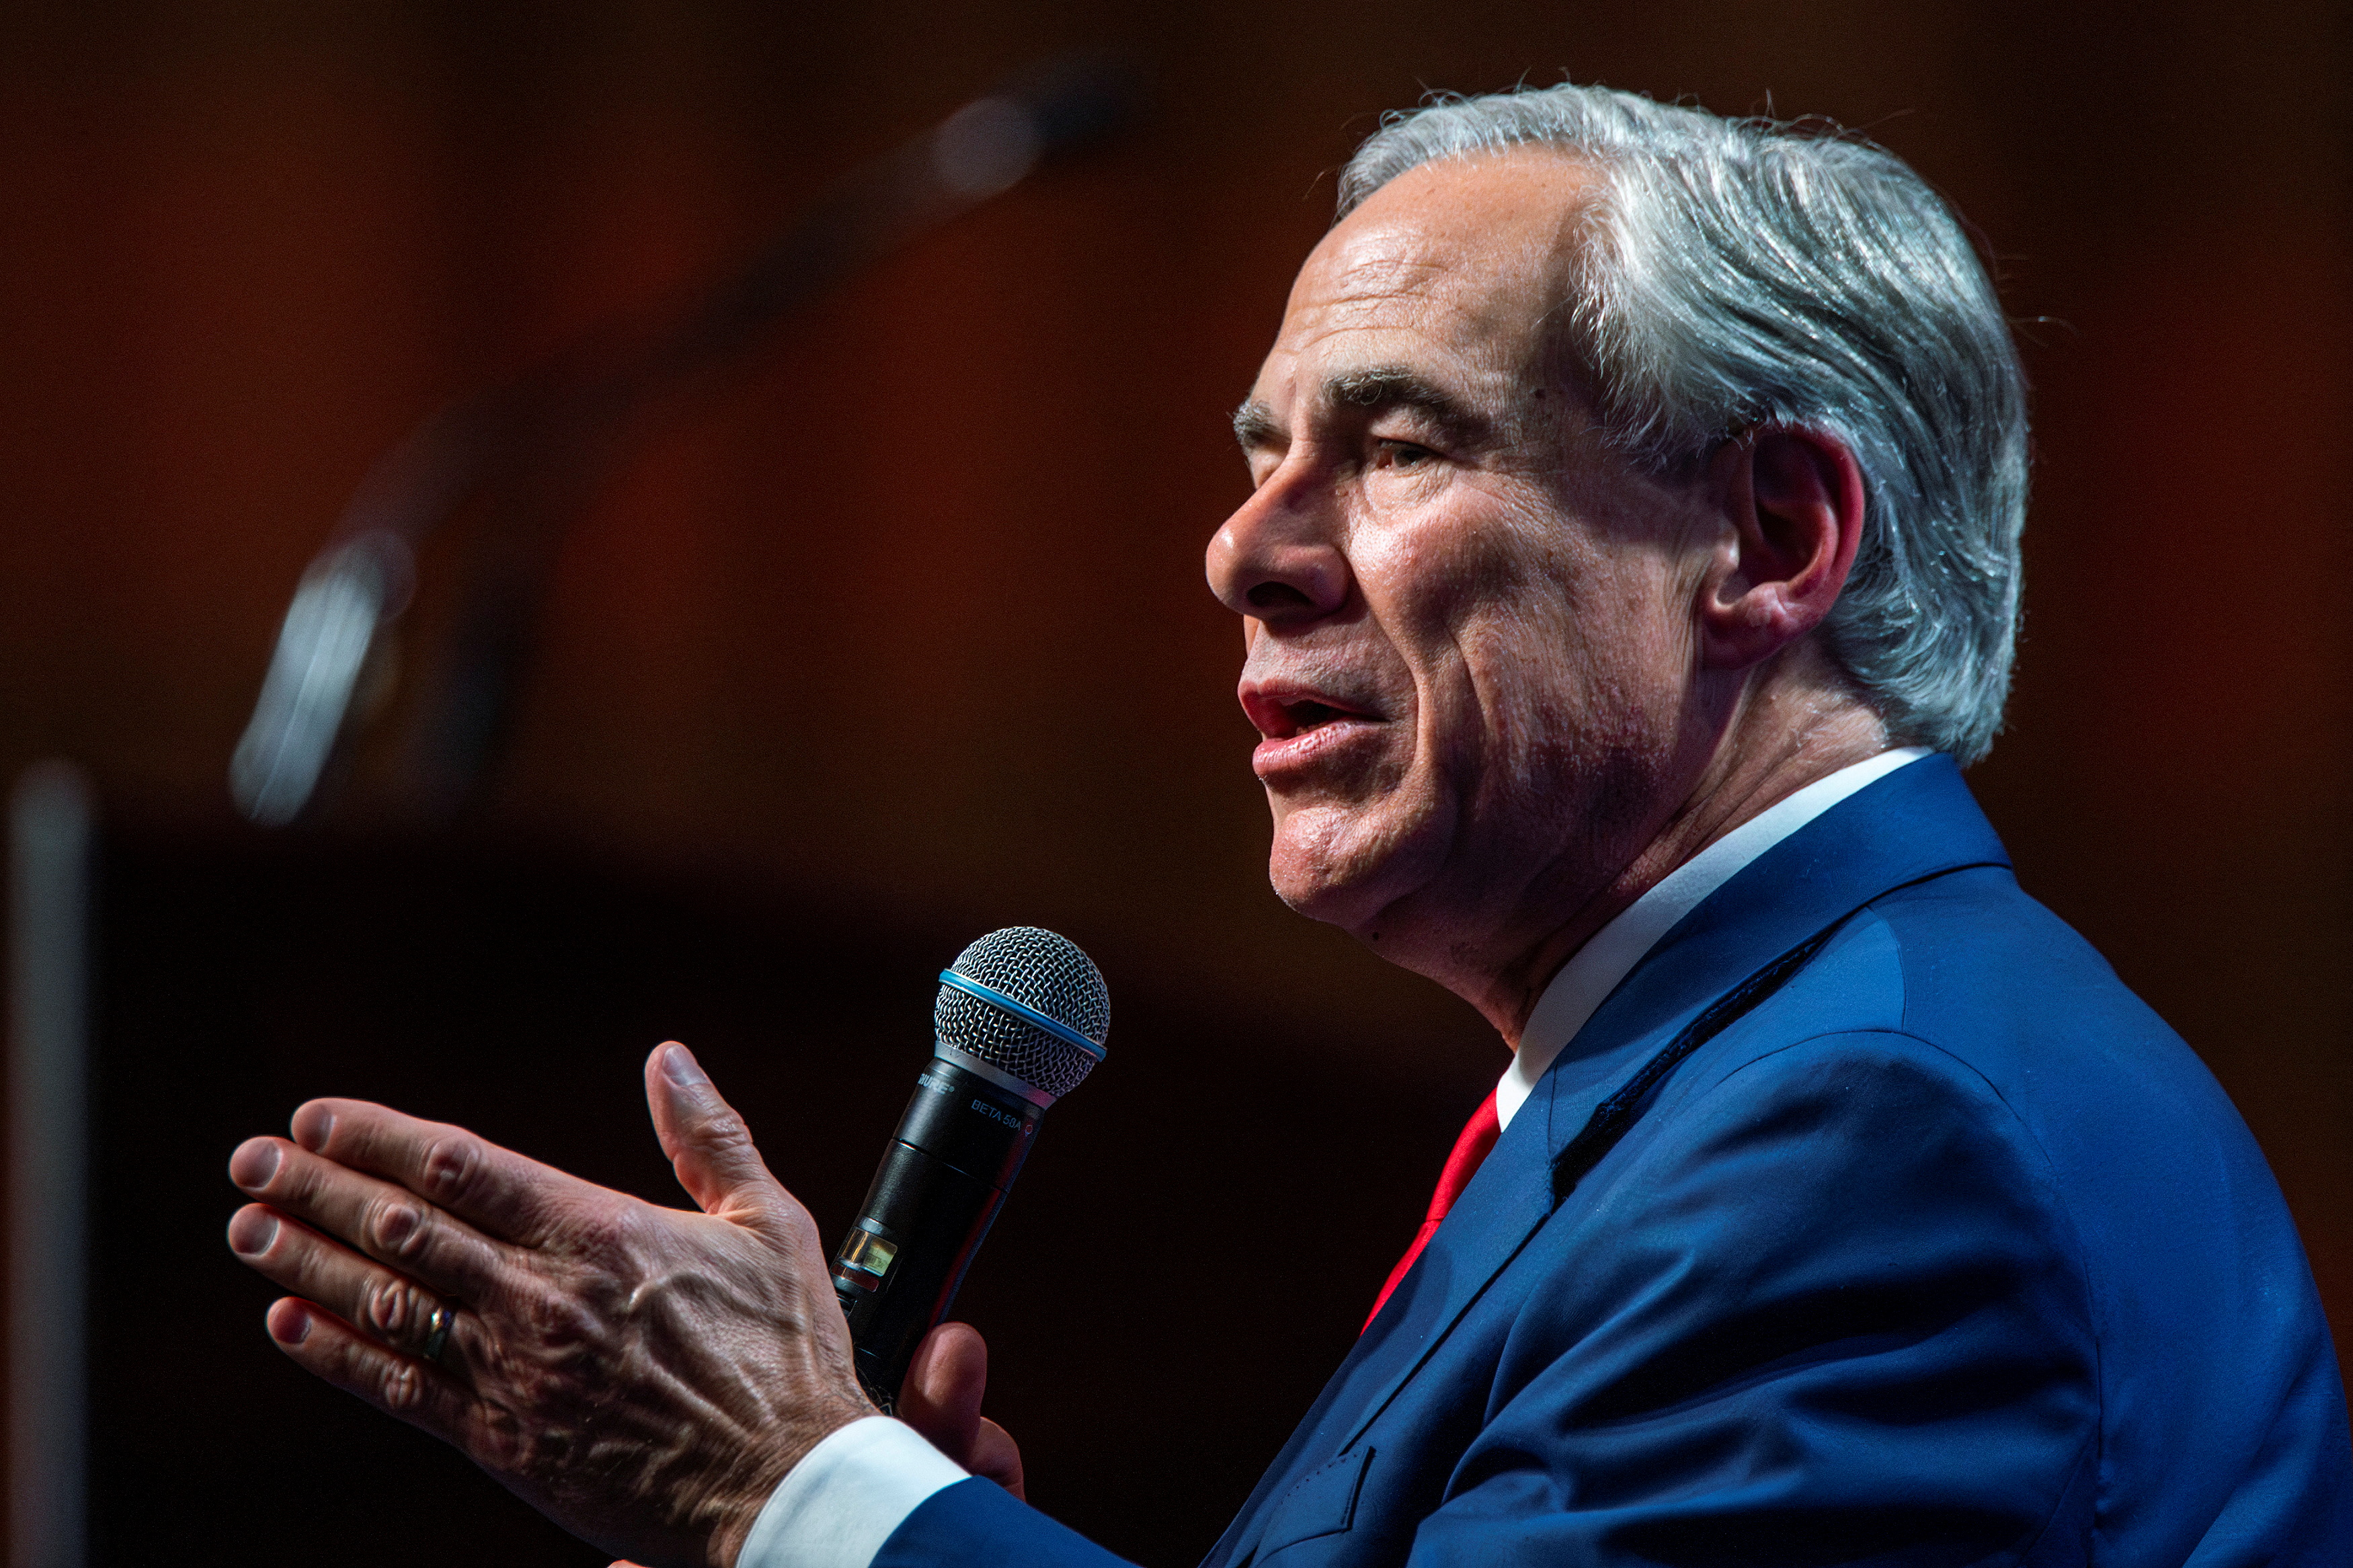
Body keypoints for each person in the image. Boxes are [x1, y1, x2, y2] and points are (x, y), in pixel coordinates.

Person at [224, 83, 2353, 1566]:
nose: (1243, 550)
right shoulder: (1713, 1072)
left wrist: (797, 1498)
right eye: (1260, 455)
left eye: (1397, 443)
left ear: (1768, 537)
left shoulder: (1876, 1134)